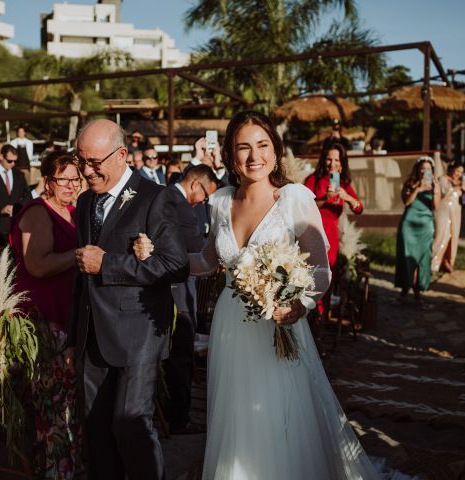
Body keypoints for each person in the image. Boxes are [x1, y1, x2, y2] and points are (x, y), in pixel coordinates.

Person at [136, 111, 378, 479]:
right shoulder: (219, 202)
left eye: (262, 146)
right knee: (236, 419)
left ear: (276, 150)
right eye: (243, 148)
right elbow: (205, 261)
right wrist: (158, 258)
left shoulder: (294, 198)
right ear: (231, 156)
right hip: (231, 327)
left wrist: (300, 304)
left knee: (280, 416)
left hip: (280, 324)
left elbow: (321, 267)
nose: (254, 157)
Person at [68, 119, 188, 479]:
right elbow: (82, 275)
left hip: (138, 333)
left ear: (122, 155)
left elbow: (175, 265)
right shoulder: (87, 199)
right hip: (92, 334)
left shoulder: (155, 196)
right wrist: (77, 333)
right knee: (96, 430)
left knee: (131, 426)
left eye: (94, 162)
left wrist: (109, 264)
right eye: (81, 161)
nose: (86, 171)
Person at [10, 151, 82, 480]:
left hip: (66, 316)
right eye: (63, 179)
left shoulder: (71, 210)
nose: (70, 185)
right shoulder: (37, 212)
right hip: (42, 321)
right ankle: (56, 471)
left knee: (69, 403)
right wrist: (79, 255)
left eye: (75, 178)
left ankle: (71, 465)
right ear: (47, 181)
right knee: (53, 405)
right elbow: (37, 265)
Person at [162, 165, 218, 434]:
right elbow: (196, 248)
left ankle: (168, 414)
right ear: (196, 184)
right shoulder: (181, 207)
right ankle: (179, 419)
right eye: (206, 196)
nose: (204, 202)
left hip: (167, 289)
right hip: (176, 291)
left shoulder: (162, 196)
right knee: (180, 354)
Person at [304, 143, 363, 322]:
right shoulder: (313, 180)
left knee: (327, 279)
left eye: (336, 159)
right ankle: (309, 318)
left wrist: (347, 197)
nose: (332, 163)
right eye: (329, 158)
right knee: (311, 278)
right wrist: (324, 199)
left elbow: (359, 208)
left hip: (332, 237)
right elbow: (303, 206)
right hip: (312, 234)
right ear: (324, 160)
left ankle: (321, 322)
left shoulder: (343, 184)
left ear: (342, 164)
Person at [395, 156, 441, 301]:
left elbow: (436, 207)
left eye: (428, 169)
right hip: (409, 224)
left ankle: (418, 290)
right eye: (423, 168)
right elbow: (407, 202)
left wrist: (435, 191)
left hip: (426, 225)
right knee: (406, 256)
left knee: (423, 258)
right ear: (418, 170)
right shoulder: (409, 184)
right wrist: (418, 188)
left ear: (432, 171)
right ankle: (404, 288)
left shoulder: (435, 186)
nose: (425, 171)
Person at [0, 145, 33, 258]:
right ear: (1, 157)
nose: (13, 164)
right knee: (0, 261)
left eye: (15, 161)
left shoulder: (19, 174)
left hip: (17, 224)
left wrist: (18, 207)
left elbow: (28, 195)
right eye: (10, 161)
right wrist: (0, 209)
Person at [431, 161, 465, 273]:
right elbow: (443, 194)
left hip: (456, 213)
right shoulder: (443, 179)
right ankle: (433, 261)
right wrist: (458, 187)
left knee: (453, 237)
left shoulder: (462, 183)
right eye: (457, 170)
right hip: (442, 212)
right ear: (452, 168)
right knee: (441, 235)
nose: (458, 173)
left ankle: (447, 262)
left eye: (461, 172)